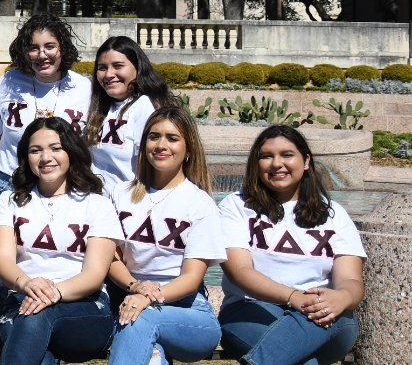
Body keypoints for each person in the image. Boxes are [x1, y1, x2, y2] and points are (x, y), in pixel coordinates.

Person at [217, 125, 365, 364]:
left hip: (323, 316)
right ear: (256, 163)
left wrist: (343, 297)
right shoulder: (236, 206)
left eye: (287, 155)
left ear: (306, 161)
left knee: (335, 318)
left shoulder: (334, 214)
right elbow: (240, 271)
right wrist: (293, 296)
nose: (277, 163)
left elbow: (351, 279)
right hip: (250, 310)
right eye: (266, 156)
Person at [0, 117, 121, 363]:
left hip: (84, 308)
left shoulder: (97, 204)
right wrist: (27, 284)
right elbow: (3, 260)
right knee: (37, 340)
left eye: (56, 148)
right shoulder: (9, 201)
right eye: (35, 150)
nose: (45, 157)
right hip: (23, 299)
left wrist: (52, 293)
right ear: (25, 157)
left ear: (71, 152)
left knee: (35, 317)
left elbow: (94, 274)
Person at [106, 107, 225, 363]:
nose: (161, 145)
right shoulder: (120, 194)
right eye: (154, 136)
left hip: (188, 312)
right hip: (130, 299)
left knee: (141, 317)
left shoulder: (200, 203)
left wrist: (145, 297)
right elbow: (111, 257)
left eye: (172, 138)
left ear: (188, 149)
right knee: (150, 352)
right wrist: (135, 287)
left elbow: (191, 279)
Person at [0, 14, 92, 213]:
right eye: (34, 48)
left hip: (63, 186)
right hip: (9, 182)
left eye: (50, 46)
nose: (42, 55)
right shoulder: (9, 81)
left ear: (62, 47)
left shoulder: (83, 87)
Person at [84, 36, 174, 186]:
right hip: (96, 196)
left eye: (118, 66)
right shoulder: (98, 107)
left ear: (138, 68)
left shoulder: (144, 106)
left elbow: (152, 166)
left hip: (128, 197)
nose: (109, 74)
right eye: (102, 68)